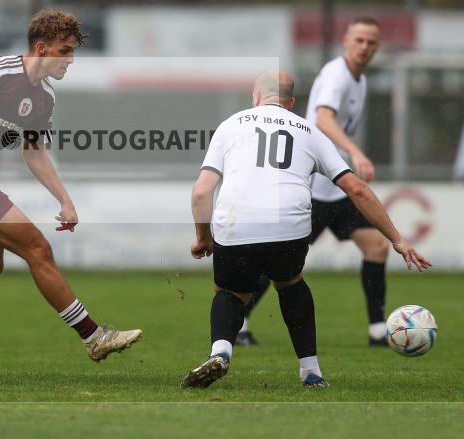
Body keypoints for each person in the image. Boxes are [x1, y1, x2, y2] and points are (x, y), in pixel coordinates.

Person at [0, 8, 141, 373]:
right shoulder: (0, 71)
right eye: (65, 51)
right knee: (37, 247)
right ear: (41, 48)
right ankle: (94, 337)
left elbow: (33, 152)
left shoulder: (45, 98)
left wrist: (64, 199)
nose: (70, 60)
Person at [181, 71, 430, 389]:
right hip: (290, 226)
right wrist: (397, 239)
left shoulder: (230, 126)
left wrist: (203, 238)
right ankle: (311, 371)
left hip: (236, 223)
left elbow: (202, 192)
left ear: (255, 98)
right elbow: (357, 189)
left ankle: (220, 352)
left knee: (230, 292)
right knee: (290, 283)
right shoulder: (310, 131)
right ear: (292, 103)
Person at [241, 17, 392, 347]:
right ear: (346, 41)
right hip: (312, 189)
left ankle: (378, 331)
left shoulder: (359, 80)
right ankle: (239, 322)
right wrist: (355, 152)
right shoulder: (337, 75)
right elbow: (323, 119)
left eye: (371, 42)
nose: (365, 47)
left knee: (376, 246)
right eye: (359, 40)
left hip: (335, 191)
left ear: (377, 47)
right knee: (280, 260)